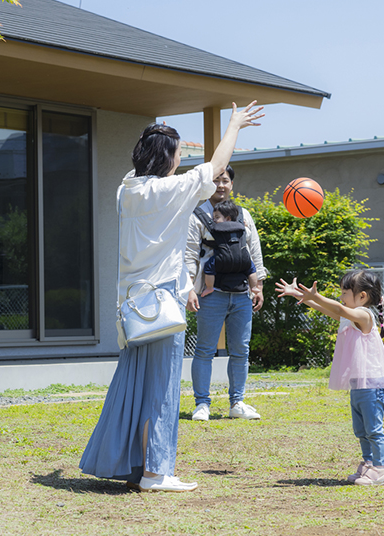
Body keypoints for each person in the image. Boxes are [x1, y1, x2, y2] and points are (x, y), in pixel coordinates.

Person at [80, 101, 264, 493]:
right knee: (162, 389)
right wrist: (234, 124)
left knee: (136, 388)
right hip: (163, 302)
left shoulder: (127, 190)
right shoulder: (171, 190)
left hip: (133, 306)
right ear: (167, 159)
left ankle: (139, 467)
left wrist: (158, 136)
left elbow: (149, 168)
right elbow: (216, 167)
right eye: (178, 153)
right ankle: (155, 472)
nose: (181, 160)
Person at [275, 269, 384, 485]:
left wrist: (316, 295)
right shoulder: (350, 317)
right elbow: (327, 309)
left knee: (373, 430)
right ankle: (369, 464)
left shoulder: (364, 315)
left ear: (362, 296)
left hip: (372, 384)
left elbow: (338, 308)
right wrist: (302, 296)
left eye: (345, 293)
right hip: (359, 384)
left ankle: (380, 470)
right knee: (361, 430)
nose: (341, 297)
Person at [185, 166, 267, 422]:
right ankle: (202, 404)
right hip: (210, 294)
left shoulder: (244, 214)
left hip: (242, 294)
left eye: (225, 180)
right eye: (215, 181)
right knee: (204, 350)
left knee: (241, 350)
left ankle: (237, 402)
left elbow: (254, 250)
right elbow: (189, 254)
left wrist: (258, 286)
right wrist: (189, 289)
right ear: (206, 185)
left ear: (232, 184)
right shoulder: (196, 216)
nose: (220, 185)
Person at [198, 200, 260, 299]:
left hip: (222, 258)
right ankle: (254, 287)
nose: (214, 220)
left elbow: (208, 237)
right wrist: (246, 227)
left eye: (217, 217)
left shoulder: (217, 229)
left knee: (209, 268)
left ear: (227, 218)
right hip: (242, 258)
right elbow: (247, 236)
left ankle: (209, 287)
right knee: (251, 269)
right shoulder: (241, 228)